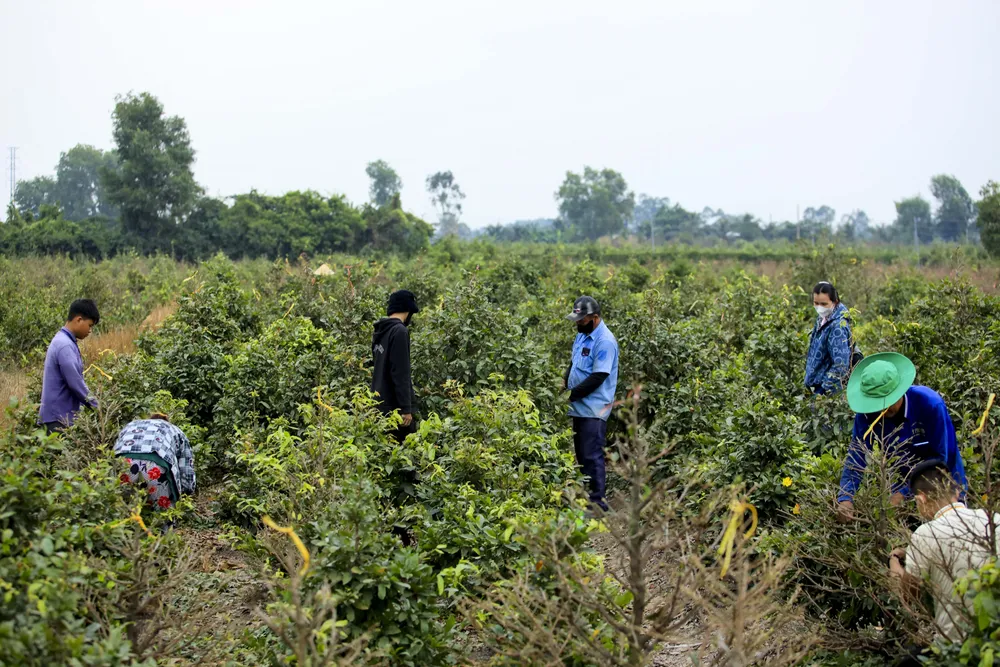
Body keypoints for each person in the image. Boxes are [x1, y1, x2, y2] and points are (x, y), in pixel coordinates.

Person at [837, 352, 968, 522]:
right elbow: (856, 457)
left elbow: (940, 459)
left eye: (887, 403)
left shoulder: (929, 405)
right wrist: (846, 497)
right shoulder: (866, 416)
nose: (882, 411)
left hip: (943, 488)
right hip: (900, 485)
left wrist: (904, 493)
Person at [888, 460, 1000, 649]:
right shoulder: (995, 519)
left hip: (956, 649)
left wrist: (894, 561)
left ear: (920, 500)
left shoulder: (926, 533)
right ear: (957, 492)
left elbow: (909, 597)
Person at [564, 296, 619, 512]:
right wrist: (563, 382)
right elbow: (574, 363)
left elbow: (599, 376)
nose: (577, 323)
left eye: (581, 320)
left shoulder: (604, 341)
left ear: (594, 318)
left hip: (594, 408)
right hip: (579, 407)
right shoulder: (582, 334)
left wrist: (570, 395)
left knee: (591, 454)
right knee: (581, 454)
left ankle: (598, 503)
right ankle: (588, 497)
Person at [39, 299, 100, 433]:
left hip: (58, 418)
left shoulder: (65, 341)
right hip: (58, 420)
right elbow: (75, 383)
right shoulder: (65, 345)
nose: (90, 331)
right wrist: (99, 407)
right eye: (89, 325)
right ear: (78, 319)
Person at [114, 413, 196, 510]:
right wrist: (186, 492)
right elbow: (186, 467)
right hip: (155, 466)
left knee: (124, 509)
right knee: (162, 514)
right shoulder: (175, 430)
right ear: (166, 421)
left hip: (125, 462)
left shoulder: (130, 425)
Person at [371, 290, 420, 443]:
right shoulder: (399, 331)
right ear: (408, 310)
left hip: (378, 403)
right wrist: (406, 408)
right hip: (394, 407)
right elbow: (400, 372)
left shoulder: (381, 330)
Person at [805, 281, 856, 395]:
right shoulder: (822, 319)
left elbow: (841, 365)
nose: (819, 308)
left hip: (827, 389)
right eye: (816, 303)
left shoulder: (838, 327)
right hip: (816, 384)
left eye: (824, 304)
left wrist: (824, 389)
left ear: (835, 302)